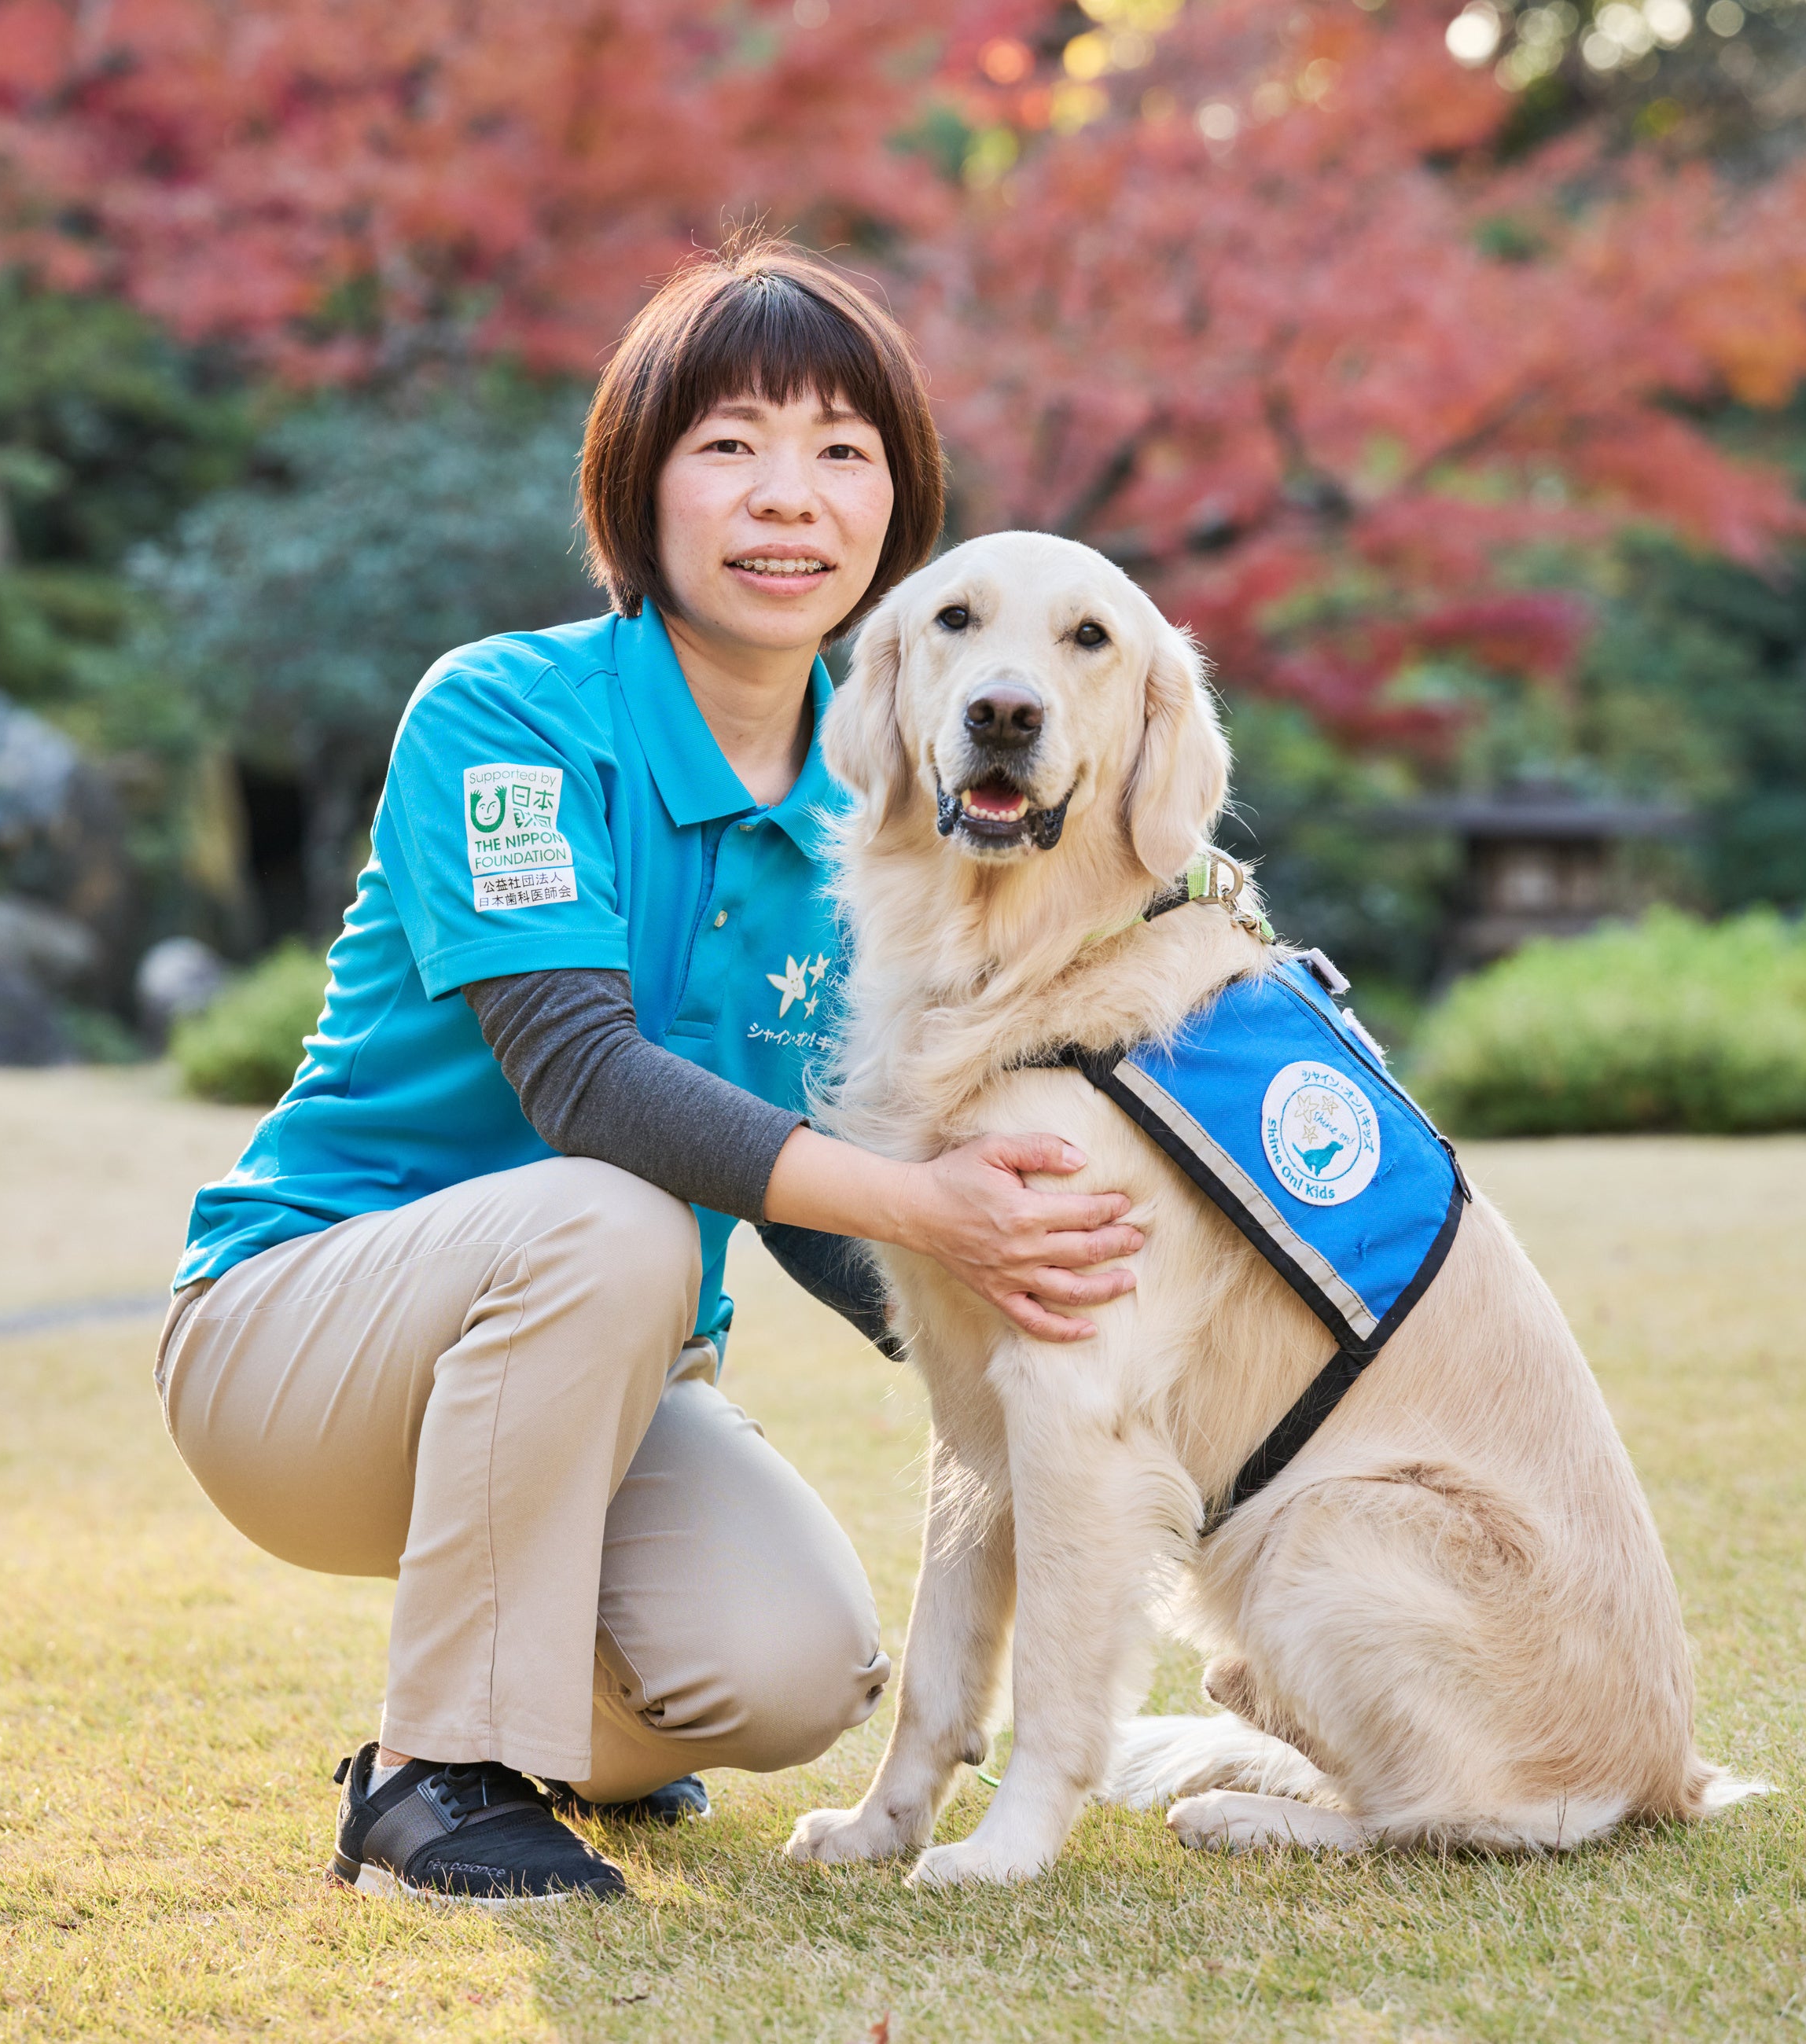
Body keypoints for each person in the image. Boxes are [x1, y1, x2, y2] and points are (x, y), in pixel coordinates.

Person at [154, 237, 1146, 1906]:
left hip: (605, 1385)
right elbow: (584, 1083)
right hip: (301, 1337)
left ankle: (512, 1715)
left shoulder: (877, 806)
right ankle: (434, 1776)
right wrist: (933, 1205)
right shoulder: (507, 716)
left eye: (844, 453)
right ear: (640, 481)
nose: (790, 498)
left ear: (894, 514)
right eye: (731, 444)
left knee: (789, 1669)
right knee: (609, 1210)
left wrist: (1044, 1316)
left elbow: (839, 1181)